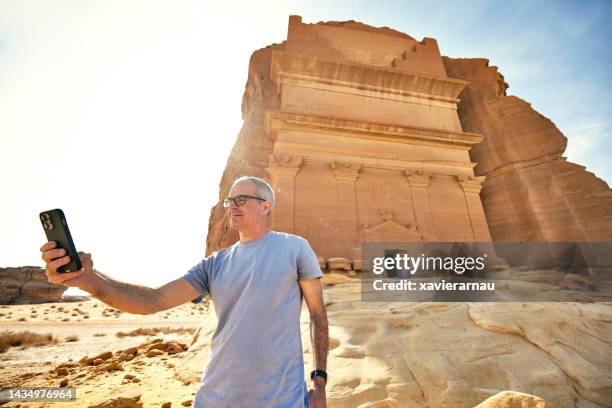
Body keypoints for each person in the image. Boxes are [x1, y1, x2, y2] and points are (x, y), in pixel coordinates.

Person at [40, 176, 329, 408]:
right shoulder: (215, 263)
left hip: (282, 399)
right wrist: (90, 280)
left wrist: (319, 381)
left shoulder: (295, 248)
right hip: (216, 397)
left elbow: (318, 316)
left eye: (242, 199)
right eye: (230, 200)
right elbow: (153, 300)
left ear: (265, 206)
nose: (232, 206)